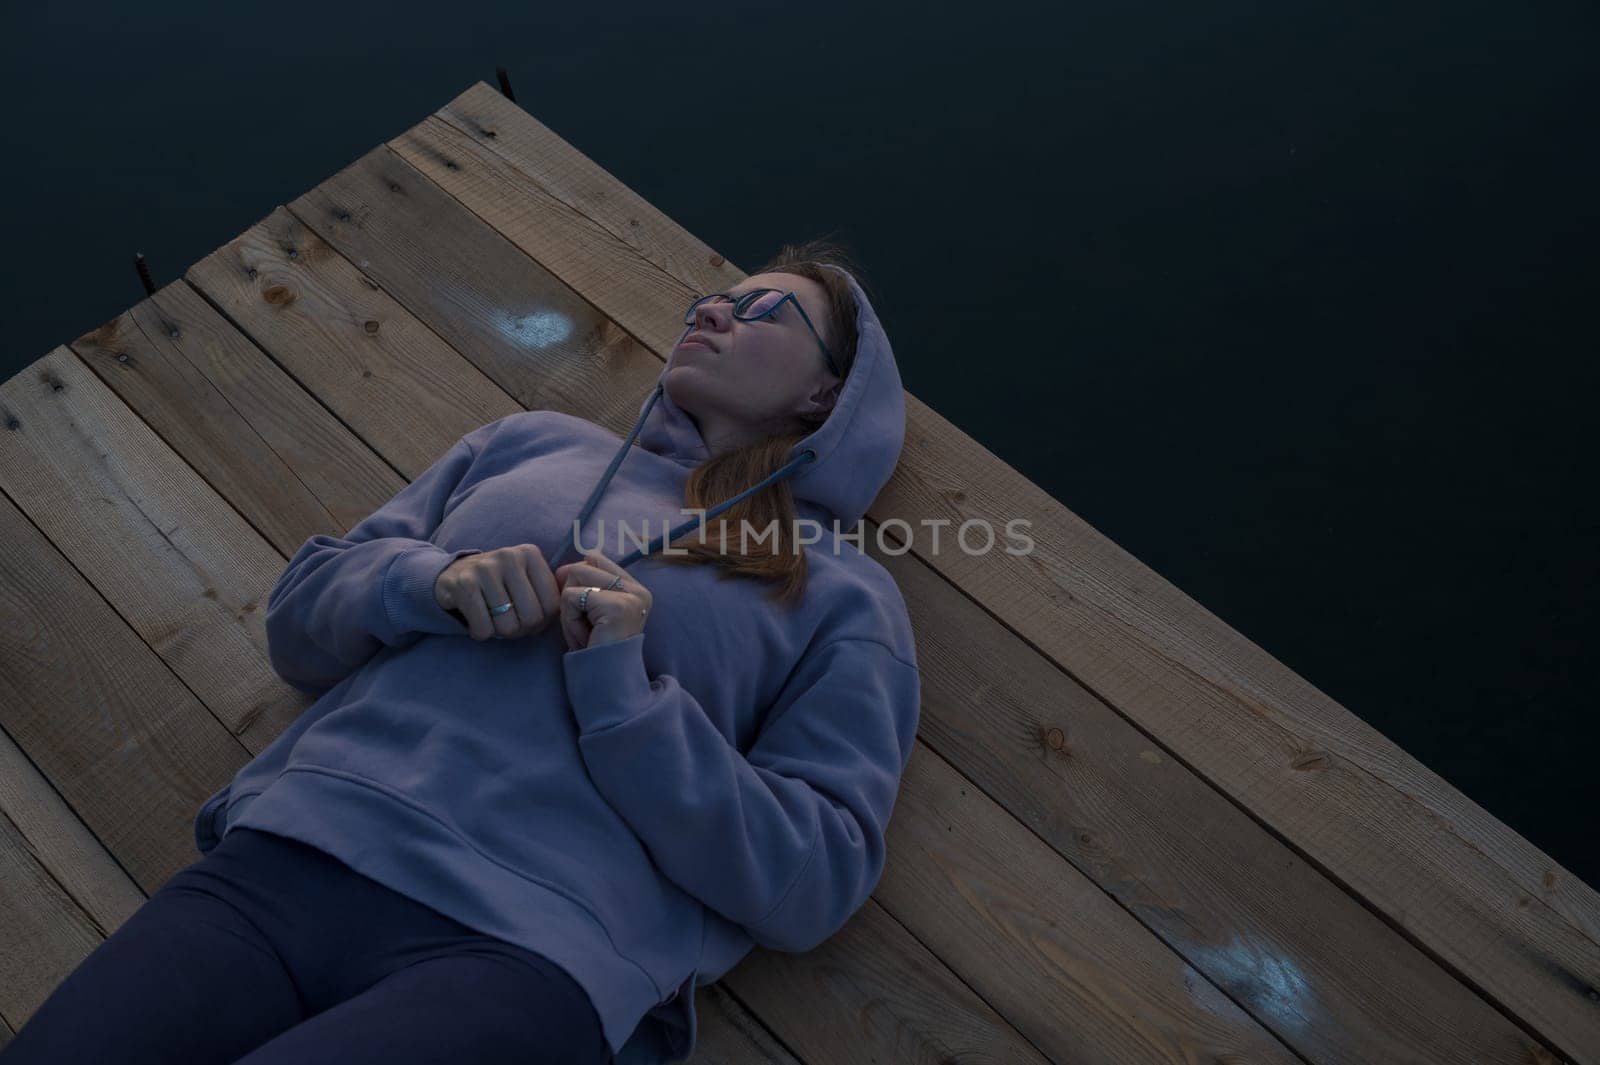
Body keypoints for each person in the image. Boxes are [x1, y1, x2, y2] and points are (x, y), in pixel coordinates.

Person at [1, 241, 921, 1065]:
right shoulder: (531, 441)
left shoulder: (839, 589)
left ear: (826, 393)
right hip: (290, 858)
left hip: (529, 951)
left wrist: (630, 703)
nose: (713, 310)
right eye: (711, 298)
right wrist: (426, 584)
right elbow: (297, 619)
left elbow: (816, 874)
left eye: (765, 309)